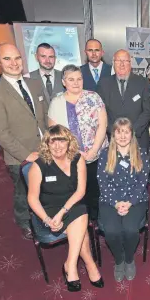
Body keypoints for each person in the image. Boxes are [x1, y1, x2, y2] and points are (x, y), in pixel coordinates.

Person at [27, 125, 104, 292]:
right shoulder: (39, 165)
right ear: (46, 144)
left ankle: (71, 264)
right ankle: (89, 265)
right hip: (49, 208)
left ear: (69, 142)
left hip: (72, 203)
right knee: (82, 223)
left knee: (81, 211)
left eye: (61, 140)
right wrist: (47, 219)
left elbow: (80, 191)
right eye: (52, 141)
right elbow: (32, 198)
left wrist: (63, 211)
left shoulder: (78, 159)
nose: (57, 145)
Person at [0, 43, 48, 240]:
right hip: (19, 156)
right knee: (23, 192)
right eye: (7, 59)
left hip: (45, 149)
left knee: (45, 187)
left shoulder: (35, 84)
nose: (14, 63)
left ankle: (44, 216)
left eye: (17, 58)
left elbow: (43, 117)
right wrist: (26, 155)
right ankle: (24, 222)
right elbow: (0, 133)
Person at [48, 64, 108, 221]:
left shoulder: (93, 97)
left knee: (97, 189)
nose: (76, 82)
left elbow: (103, 125)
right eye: (71, 79)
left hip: (97, 155)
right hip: (70, 157)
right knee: (77, 191)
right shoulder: (56, 102)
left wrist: (93, 150)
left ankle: (97, 220)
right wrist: (74, 152)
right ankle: (81, 220)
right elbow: (54, 134)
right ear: (63, 81)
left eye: (79, 79)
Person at [97, 118, 150, 282]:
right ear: (113, 134)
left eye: (126, 131)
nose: (122, 136)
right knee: (111, 231)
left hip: (136, 200)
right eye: (119, 132)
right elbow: (102, 182)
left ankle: (129, 259)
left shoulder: (141, 152)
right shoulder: (105, 153)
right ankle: (119, 261)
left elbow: (143, 182)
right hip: (110, 200)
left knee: (130, 229)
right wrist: (116, 203)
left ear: (132, 134)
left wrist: (130, 202)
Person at [98, 49, 150, 148]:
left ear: (130, 63)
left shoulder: (143, 82)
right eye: (118, 61)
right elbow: (101, 113)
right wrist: (116, 132)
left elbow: (147, 111)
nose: (122, 64)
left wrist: (131, 132)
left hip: (138, 139)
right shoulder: (103, 84)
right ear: (113, 63)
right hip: (113, 139)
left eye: (125, 61)